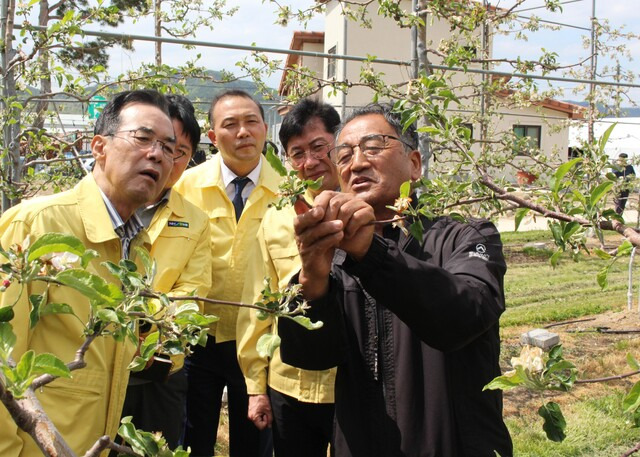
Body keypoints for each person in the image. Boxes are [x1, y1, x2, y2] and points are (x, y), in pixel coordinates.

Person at [278, 103, 513, 457]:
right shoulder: (337, 257)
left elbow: (465, 314)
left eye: (373, 147)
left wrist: (372, 254)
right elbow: (310, 356)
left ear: (415, 164)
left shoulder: (466, 236)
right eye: (343, 155)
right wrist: (311, 277)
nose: (356, 163)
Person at [0, 89, 177, 456]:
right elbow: (4, 360)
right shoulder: (37, 224)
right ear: (99, 146)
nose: (157, 154)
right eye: (143, 138)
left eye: (168, 147)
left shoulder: (138, 250)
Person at [175, 90, 280, 457]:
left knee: (254, 441)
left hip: (259, 337)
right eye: (230, 124)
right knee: (193, 437)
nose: (243, 132)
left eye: (251, 121)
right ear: (212, 133)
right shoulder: (184, 186)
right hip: (196, 336)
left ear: (265, 128)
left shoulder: (288, 190)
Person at [237, 99, 340, 457]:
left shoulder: (368, 210)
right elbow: (258, 303)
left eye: (318, 147)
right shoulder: (276, 218)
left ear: (338, 144)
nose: (309, 162)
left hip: (352, 385)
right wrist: (256, 387)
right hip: (288, 386)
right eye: (297, 154)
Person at [116, 94, 212, 449]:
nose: (164, 158)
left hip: (160, 369)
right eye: (150, 141)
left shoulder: (195, 220)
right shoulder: (112, 206)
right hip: (97, 361)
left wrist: (137, 321)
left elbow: (193, 294)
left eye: (178, 150)